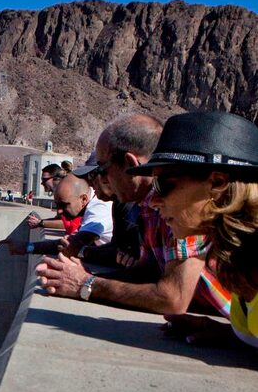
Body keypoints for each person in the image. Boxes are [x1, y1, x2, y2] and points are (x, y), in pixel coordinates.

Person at [36, 113, 230, 316]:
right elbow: (147, 271)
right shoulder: (147, 206)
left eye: (102, 169)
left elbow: (172, 299)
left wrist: (86, 284)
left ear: (130, 164)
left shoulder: (181, 203)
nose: (100, 180)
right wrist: (86, 276)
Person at [124, 111, 258, 347]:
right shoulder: (237, 258)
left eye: (163, 184)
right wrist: (231, 336)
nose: (154, 201)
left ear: (217, 183)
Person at [0, 173, 112, 257]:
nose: (59, 212)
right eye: (57, 205)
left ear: (83, 199)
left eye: (64, 205)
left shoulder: (98, 208)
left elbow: (73, 244)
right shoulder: (90, 203)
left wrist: (28, 247)